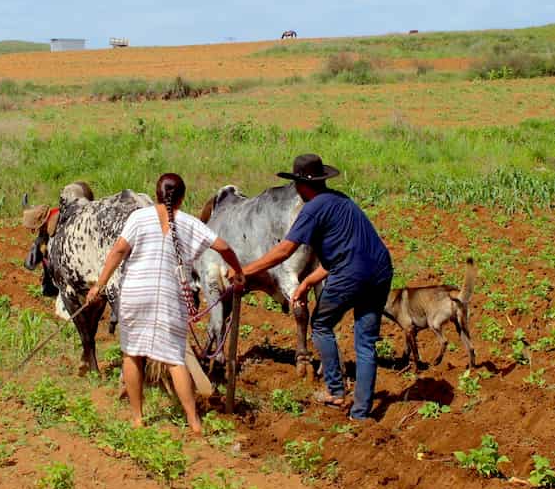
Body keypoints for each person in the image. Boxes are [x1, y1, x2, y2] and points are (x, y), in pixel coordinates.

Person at [236, 154, 393, 421]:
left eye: (297, 183)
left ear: (302, 185)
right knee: (365, 342)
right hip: (380, 271)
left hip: (352, 273)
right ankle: (361, 412)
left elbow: (284, 250)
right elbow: (335, 257)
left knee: (320, 324)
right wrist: (308, 282)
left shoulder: (312, 208)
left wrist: (243, 270)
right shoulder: (342, 201)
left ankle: (336, 391)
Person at [87, 172, 244, 434]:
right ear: (181, 198)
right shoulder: (189, 223)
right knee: (174, 359)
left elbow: (117, 250)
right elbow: (223, 246)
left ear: (157, 194)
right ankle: (194, 421)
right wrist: (237, 270)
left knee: (132, 354)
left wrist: (99, 285)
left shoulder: (138, 217)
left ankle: (138, 419)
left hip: (136, 291)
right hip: (169, 296)